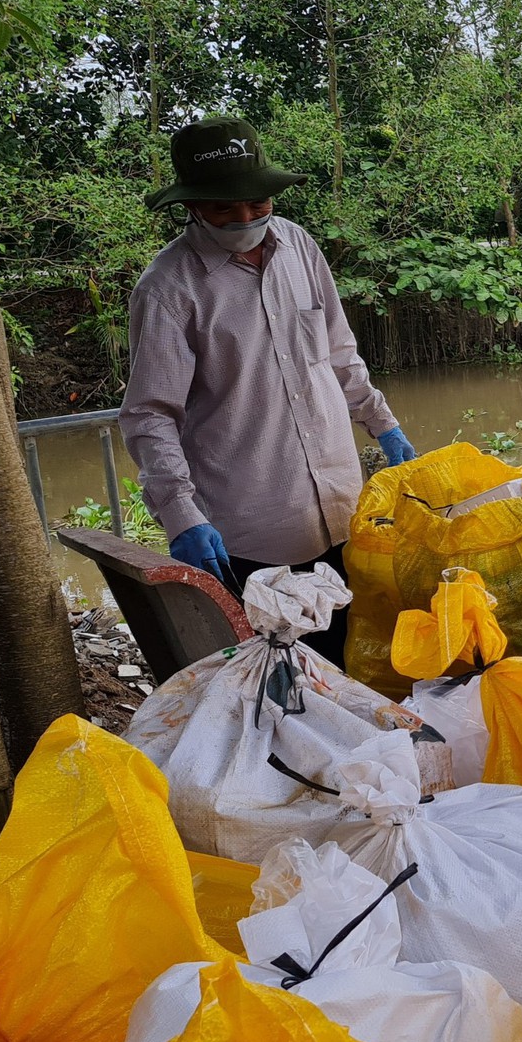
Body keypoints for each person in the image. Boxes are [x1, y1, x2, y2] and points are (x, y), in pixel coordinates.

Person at [120, 117, 415, 663]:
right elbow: (150, 415)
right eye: (225, 208)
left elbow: (338, 351)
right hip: (251, 531)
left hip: (340, 505)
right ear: (192, 206)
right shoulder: (167, 289)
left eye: (257, 203)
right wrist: (181, 513)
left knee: (353, 661)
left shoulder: (299, 246)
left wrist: (384, 424)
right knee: (285, 682)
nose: (245, 217)